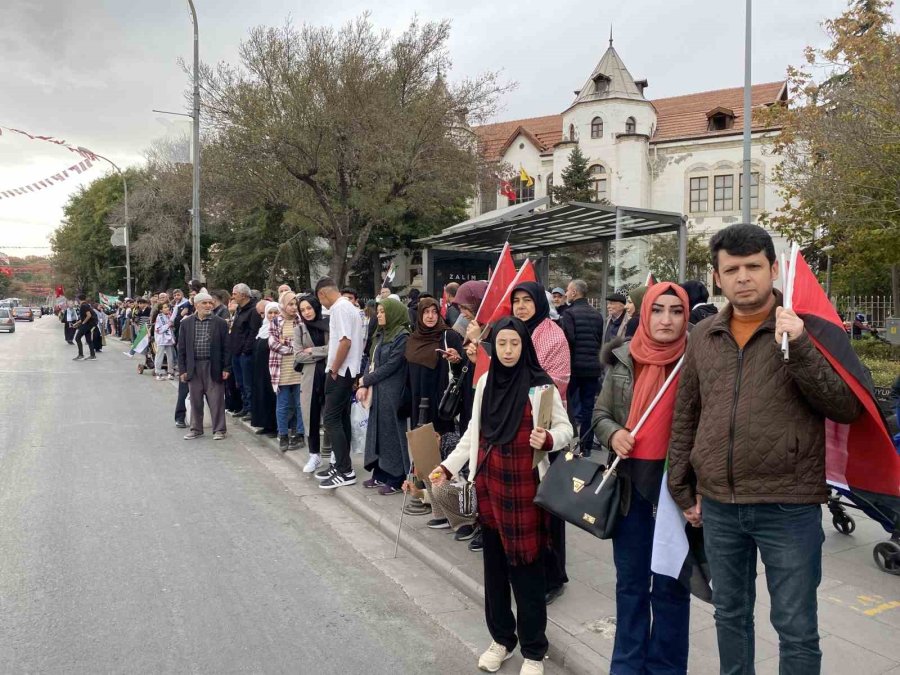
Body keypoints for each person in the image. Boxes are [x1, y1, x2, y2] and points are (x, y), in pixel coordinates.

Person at [667, 223, 863, 675]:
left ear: (772, 269)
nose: (743, 277)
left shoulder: (806, 329)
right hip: (719, 506)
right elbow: (686, 415)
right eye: (731, 269)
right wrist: (682, 488)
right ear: (717, 277)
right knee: (730, 616)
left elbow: (844, 406)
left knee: (796, 627)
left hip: (788, 506)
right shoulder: (704, 336)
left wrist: (800, 346)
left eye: (753, 266)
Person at [432, 317, 574, 675]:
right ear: (492, 347)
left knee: (526, 571)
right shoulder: (484, 382)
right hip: (490, 486)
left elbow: (566, 429)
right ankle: (501, 640)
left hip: (525, 488)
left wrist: (550, 440)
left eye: (515, 343)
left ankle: (533, 652)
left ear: (525, 345)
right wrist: (447, 467)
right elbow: (473, 434)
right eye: (502, 344)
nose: (508, 351)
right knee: (494, 571)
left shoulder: (541, 387)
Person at [592, 282, 692, 674]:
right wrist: (614, 434)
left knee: (670, 587)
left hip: (675, 490)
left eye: (676, 311)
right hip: (631, 487)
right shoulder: (622, 358)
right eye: (658, 310)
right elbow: (600, 416)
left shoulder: (697, 359)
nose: (666, 319)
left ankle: (665, 667)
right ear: (644, 314)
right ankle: (627, 665)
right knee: (631, 585)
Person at [508, 281, 571, 605]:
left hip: (547, 432)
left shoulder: (552, 334)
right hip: (517, 433)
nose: (521, 306)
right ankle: (530, 567)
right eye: (516, 301)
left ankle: (554, 575)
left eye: (527, 301)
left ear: (539, 304)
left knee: (550, 506)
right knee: (528, 508)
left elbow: (557, 379)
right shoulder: (513, 334)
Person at [356, 298, 411, 495]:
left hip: (393, 393)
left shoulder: (402, 336)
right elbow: (373, 361)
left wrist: (366, 380)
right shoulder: (381, 334)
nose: (378, 314)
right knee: (378, 432)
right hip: (379, 391)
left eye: (382, 311)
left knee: (392, 435)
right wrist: (365, 379)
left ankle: (397, 477)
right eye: (378, 311)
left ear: (393, 313)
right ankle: (380, 471)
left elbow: (392, 365)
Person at [314, 277, 364, 489]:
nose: (322, 305)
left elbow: (345, 341)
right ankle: (340, 465)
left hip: (341, 371)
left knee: (332, 420)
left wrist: (334, 368)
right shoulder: (348, 307)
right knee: (341, 419)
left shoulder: (340, 308)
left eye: (320, 300)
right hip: (347, 371)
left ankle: (345, 470)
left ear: (322, 294)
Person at [406, 297, 465, 433]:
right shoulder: (413, 339)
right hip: (418, 402)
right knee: (422, 447)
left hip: (441, 401)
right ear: (420, 315)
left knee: (443, 444)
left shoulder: (449, 336)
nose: (430, 316)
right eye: (426, 312)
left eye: (434, 312)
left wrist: (456, 359)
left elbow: (462, 367)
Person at [177, 292, 230, 441]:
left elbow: (227, 347)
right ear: (196, 305)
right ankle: (196, 429)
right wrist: (182, 369)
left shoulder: (219, 322)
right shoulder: (186, 323)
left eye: (210, 303)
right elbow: (181, 349)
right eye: (204, 303)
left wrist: (226, 368)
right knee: (195, 399)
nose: (208, 306)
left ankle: (219, 429)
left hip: (213, 365)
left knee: (216, 399)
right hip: (193, 366)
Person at [560, 278, 604, 456]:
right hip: (593, 367)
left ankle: (566, 441)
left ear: (574, 293)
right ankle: (586, 445)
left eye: (568, 290)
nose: (566, 293)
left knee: (565, 403)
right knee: (588, 407)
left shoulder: (569, 314)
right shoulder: (597, 315)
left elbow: (569, 339)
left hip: (575, 367)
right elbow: (599, 339)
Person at [294, 294, 329, 473]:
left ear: (316, 306)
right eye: (303, 310)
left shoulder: (328, 324)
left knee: (331, 417)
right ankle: (314, 455)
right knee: (311, 416)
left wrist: (313, 351)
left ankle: (333, 453)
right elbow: (298, 355)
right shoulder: (299, 328)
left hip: (329, 375)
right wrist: (323, 352)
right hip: (310, 377)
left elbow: (335, 349)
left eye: (309, 308)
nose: (307, 312)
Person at [268, 292, 305, 452]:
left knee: (300, 404)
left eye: (295, 304)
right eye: (290, 304)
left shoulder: (301, 321)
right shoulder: (276, 321)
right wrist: (293, 347)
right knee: (282, 405)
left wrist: (287, 343)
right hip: (281, 369)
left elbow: (304, 343)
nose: (294, 307)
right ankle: (283, 435)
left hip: (299, 369)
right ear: (283, 305)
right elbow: (273, 344)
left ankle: (300, 434)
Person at [228, 283, 261, 419]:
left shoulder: (253, 310)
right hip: (236, 351)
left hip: (245, 353)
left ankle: (251, 409)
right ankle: (245, 406)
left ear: (243, 295)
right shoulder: (240, 309)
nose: (233, 296)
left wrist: (245, 350)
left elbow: (253, 332)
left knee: (248, 383)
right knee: (240, 382)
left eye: (235, 294)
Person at [250, 301, 279, 435]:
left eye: (275, 312)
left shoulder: (280, 329)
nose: (273, 315)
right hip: (260, 370)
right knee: (262, 395)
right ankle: (265, 424)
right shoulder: (263, 329)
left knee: (272, 397)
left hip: (273, 370)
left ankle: (275, 426)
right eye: (270, 313)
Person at [154, 303, 176, 380]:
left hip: (169, 340)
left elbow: (171, 326)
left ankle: (170, 372)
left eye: (167, 307)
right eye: (165, 307)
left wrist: (171, 325)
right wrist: (168, 325)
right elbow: (158, 329)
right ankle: (158, 373)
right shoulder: (159, 317)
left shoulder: (169, 316)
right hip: (161, 340)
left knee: (170, 357)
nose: (167, 309)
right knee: (159, 356)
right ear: (161, 310)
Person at [72, 294, 97, 361]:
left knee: (77, 338)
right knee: (88, 340)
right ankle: (92, 355)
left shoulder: (83, 306)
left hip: (87, 324)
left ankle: (81, 355)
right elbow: (84, 317)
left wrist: (83, 323)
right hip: (90, 324)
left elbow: (88, 315)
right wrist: (76, 323)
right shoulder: (86, 305)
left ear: (78, 299)